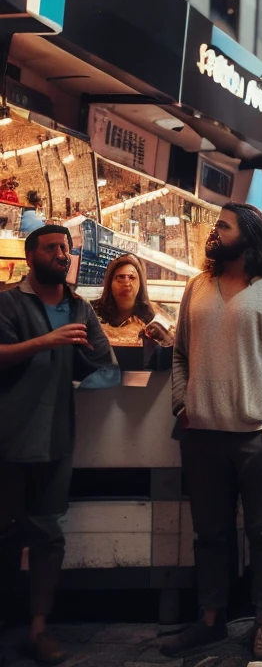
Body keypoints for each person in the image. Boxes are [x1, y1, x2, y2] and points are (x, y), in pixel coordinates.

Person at [164, 204, 262, 667]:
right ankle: (210, 620)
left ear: (249, 236)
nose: (214, 231)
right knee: (210, 534)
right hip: (202, 434)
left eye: (223, 226)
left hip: (255, 436)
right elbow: (180, 353)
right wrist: (182, 406)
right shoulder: (197, 286)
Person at [0, 225, 120, 665]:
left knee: (49, 534)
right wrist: (45, 343)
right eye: (51, 248)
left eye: (65, 249)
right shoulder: (9, 302)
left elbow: (105, 366)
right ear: (30, 256)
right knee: (5, 534)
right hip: (7, 437)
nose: (61, 254)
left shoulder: (79, 307)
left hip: (55, 439)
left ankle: (38, 629)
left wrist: (81, 374)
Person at [92, 254, 174, 367]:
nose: (126, 283)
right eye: (120, 277)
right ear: (110, 283)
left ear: (140, 284)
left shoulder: (154, 316)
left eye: (132, 277)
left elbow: (171, 356)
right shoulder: (93, 313)